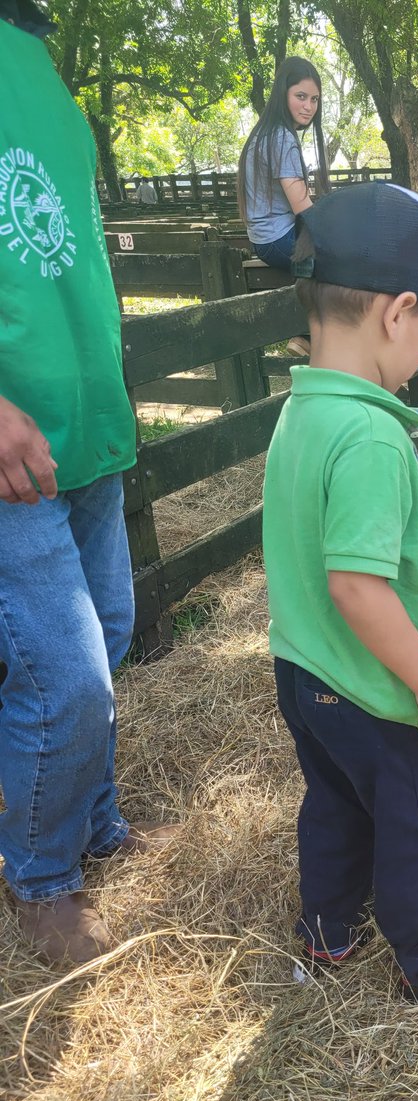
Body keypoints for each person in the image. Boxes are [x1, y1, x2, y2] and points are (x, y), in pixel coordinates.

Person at [263, 182, 418, 1003]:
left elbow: (334, 545)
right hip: (376, 692)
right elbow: (358, 586)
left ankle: (327, 931)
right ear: (397, 313)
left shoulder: (305, 410)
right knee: (415, 824)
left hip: (304, 672)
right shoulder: (372, 434)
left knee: (334, 804)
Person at [0, 0, 177, 965]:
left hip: (86, 425)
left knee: (103, 643)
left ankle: (93, 822)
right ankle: (37, 873)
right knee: (62, 676)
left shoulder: (42, 63)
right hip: (13, 441)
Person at [238, 56, 330, 359]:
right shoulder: (282, 139)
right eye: (300, 96)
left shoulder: (263, 134)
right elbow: (302, 206)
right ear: (283, 94)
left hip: (262, 239)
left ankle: (309, 336)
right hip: (278, 238)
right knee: (344, 256)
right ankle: (309, 336)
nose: (309, 106)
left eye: (314, 99)